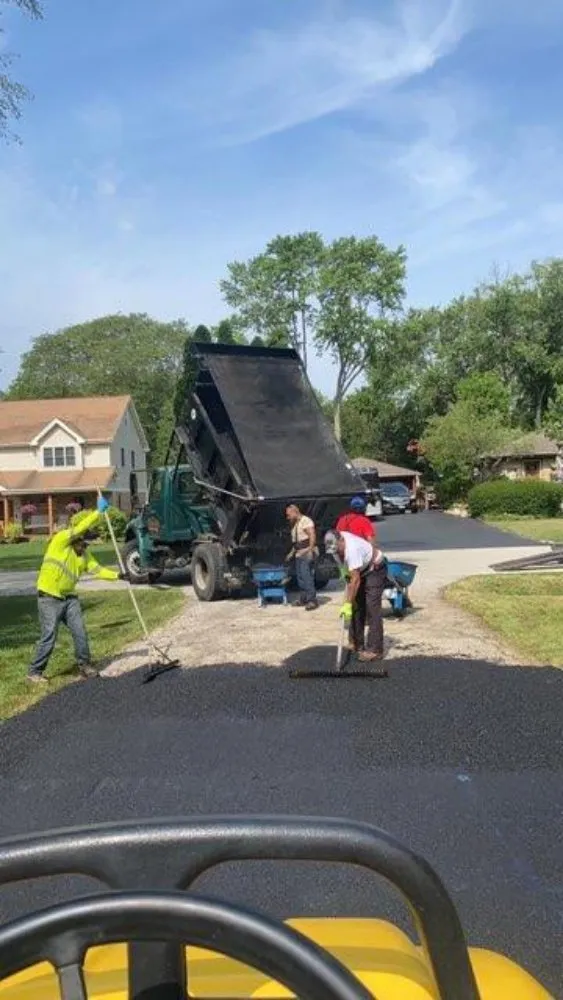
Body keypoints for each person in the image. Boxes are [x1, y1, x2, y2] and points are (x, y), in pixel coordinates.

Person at [27, 498, 127, 683]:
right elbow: (81, 527)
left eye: (88, 545)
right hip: (49, 598)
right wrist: (98, 513)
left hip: (69, 599)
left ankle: (85, 665)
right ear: (76, 539)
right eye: (84, 543)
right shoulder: (60, 541)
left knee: (80, 631)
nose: (86, 547)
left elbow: (98, 570)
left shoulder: (84, 555)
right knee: (49, 636)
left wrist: (119, 576)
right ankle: (34, 672)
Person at [324, 528, 388, 673]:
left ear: (341, 540)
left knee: (372, 608)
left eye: (338, 549)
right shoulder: (334, 548)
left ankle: (375, 649)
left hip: (375, 569)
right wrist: (349, 598)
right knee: (356, 606)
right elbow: (346, 570)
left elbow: (356, 579)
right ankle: (356, 642)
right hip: (360, 570)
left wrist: (346, 603)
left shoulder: (352, 549)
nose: (336, 552)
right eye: (334, 551)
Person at [285, 504, 318, 610]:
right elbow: (297, 542)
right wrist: (291, 553)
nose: (288, 517)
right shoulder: (295, 524)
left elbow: (312, 535)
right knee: (300, 578)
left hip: (306, 551)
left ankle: (312, 600)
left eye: (289, 515)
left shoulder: (306, 521)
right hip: (298, 553)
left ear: (295, 512)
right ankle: (303, 598)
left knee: (306, 576)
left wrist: (310, 550)